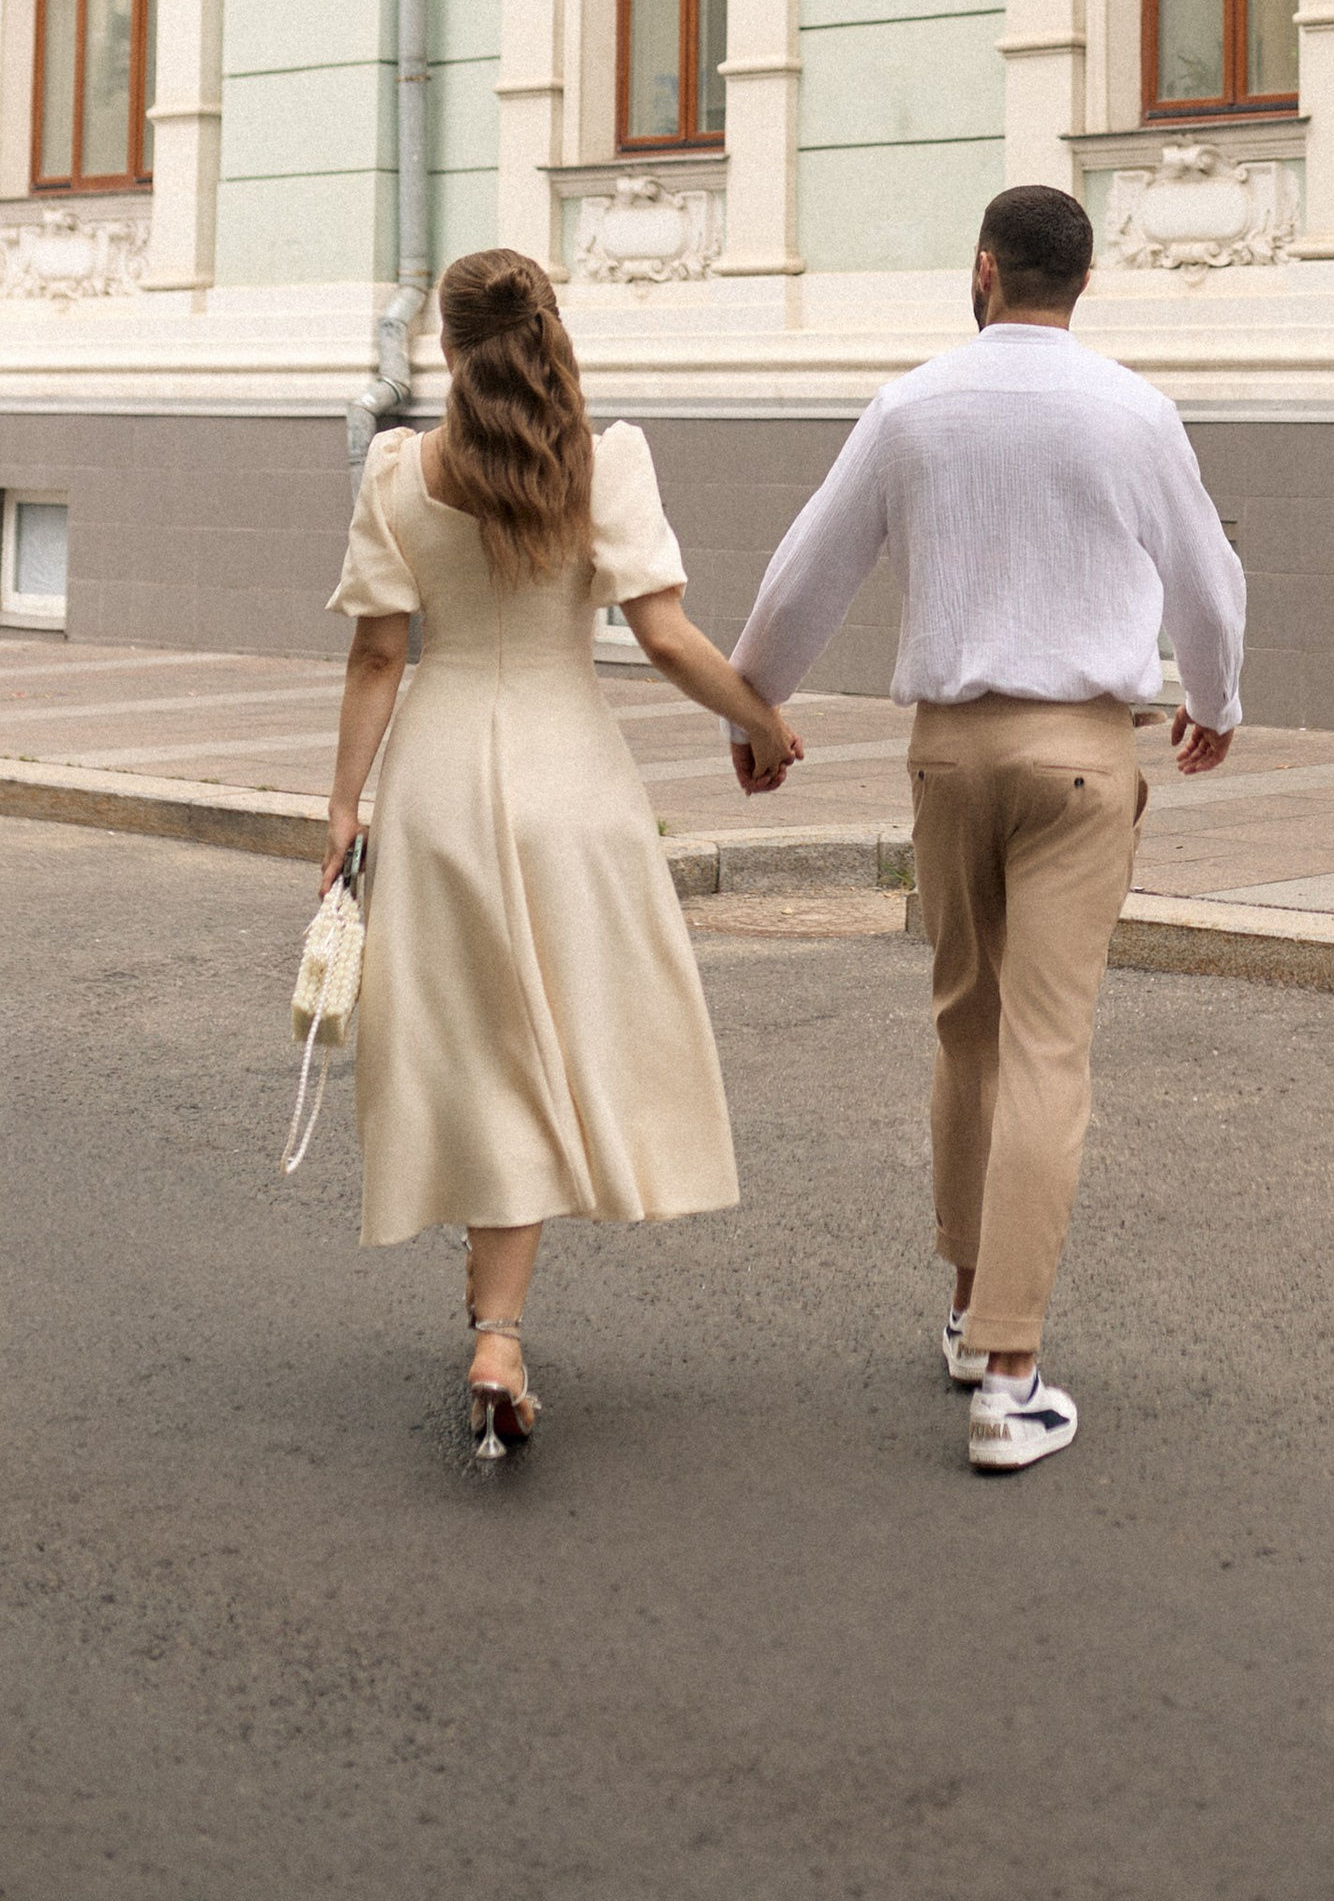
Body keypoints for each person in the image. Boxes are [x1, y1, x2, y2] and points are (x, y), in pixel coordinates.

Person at [730, 183, 1244, 1476]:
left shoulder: (912, 406)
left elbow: (809, 569)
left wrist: (756, 706)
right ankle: (1011, 1379)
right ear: (1081, 284)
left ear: (982, 273)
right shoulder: (1135, 409)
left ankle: (970, 1314)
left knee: (965, 1027)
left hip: (949, 761)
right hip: (1079, 761)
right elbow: (1207, 580)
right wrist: (1218, 699)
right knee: (1046, 1049)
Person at [319, 248, 801, 1457]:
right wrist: (762, 721)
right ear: (550, 325)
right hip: (568, 774)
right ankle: (497, 1330)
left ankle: (497, 1325)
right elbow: (667, 635)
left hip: (434, 780)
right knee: (549, 1035)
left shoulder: (398, 468)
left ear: (444, 340)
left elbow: (379, 654)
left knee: (480, 1040)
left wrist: (342, 810)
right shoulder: (605, 459)